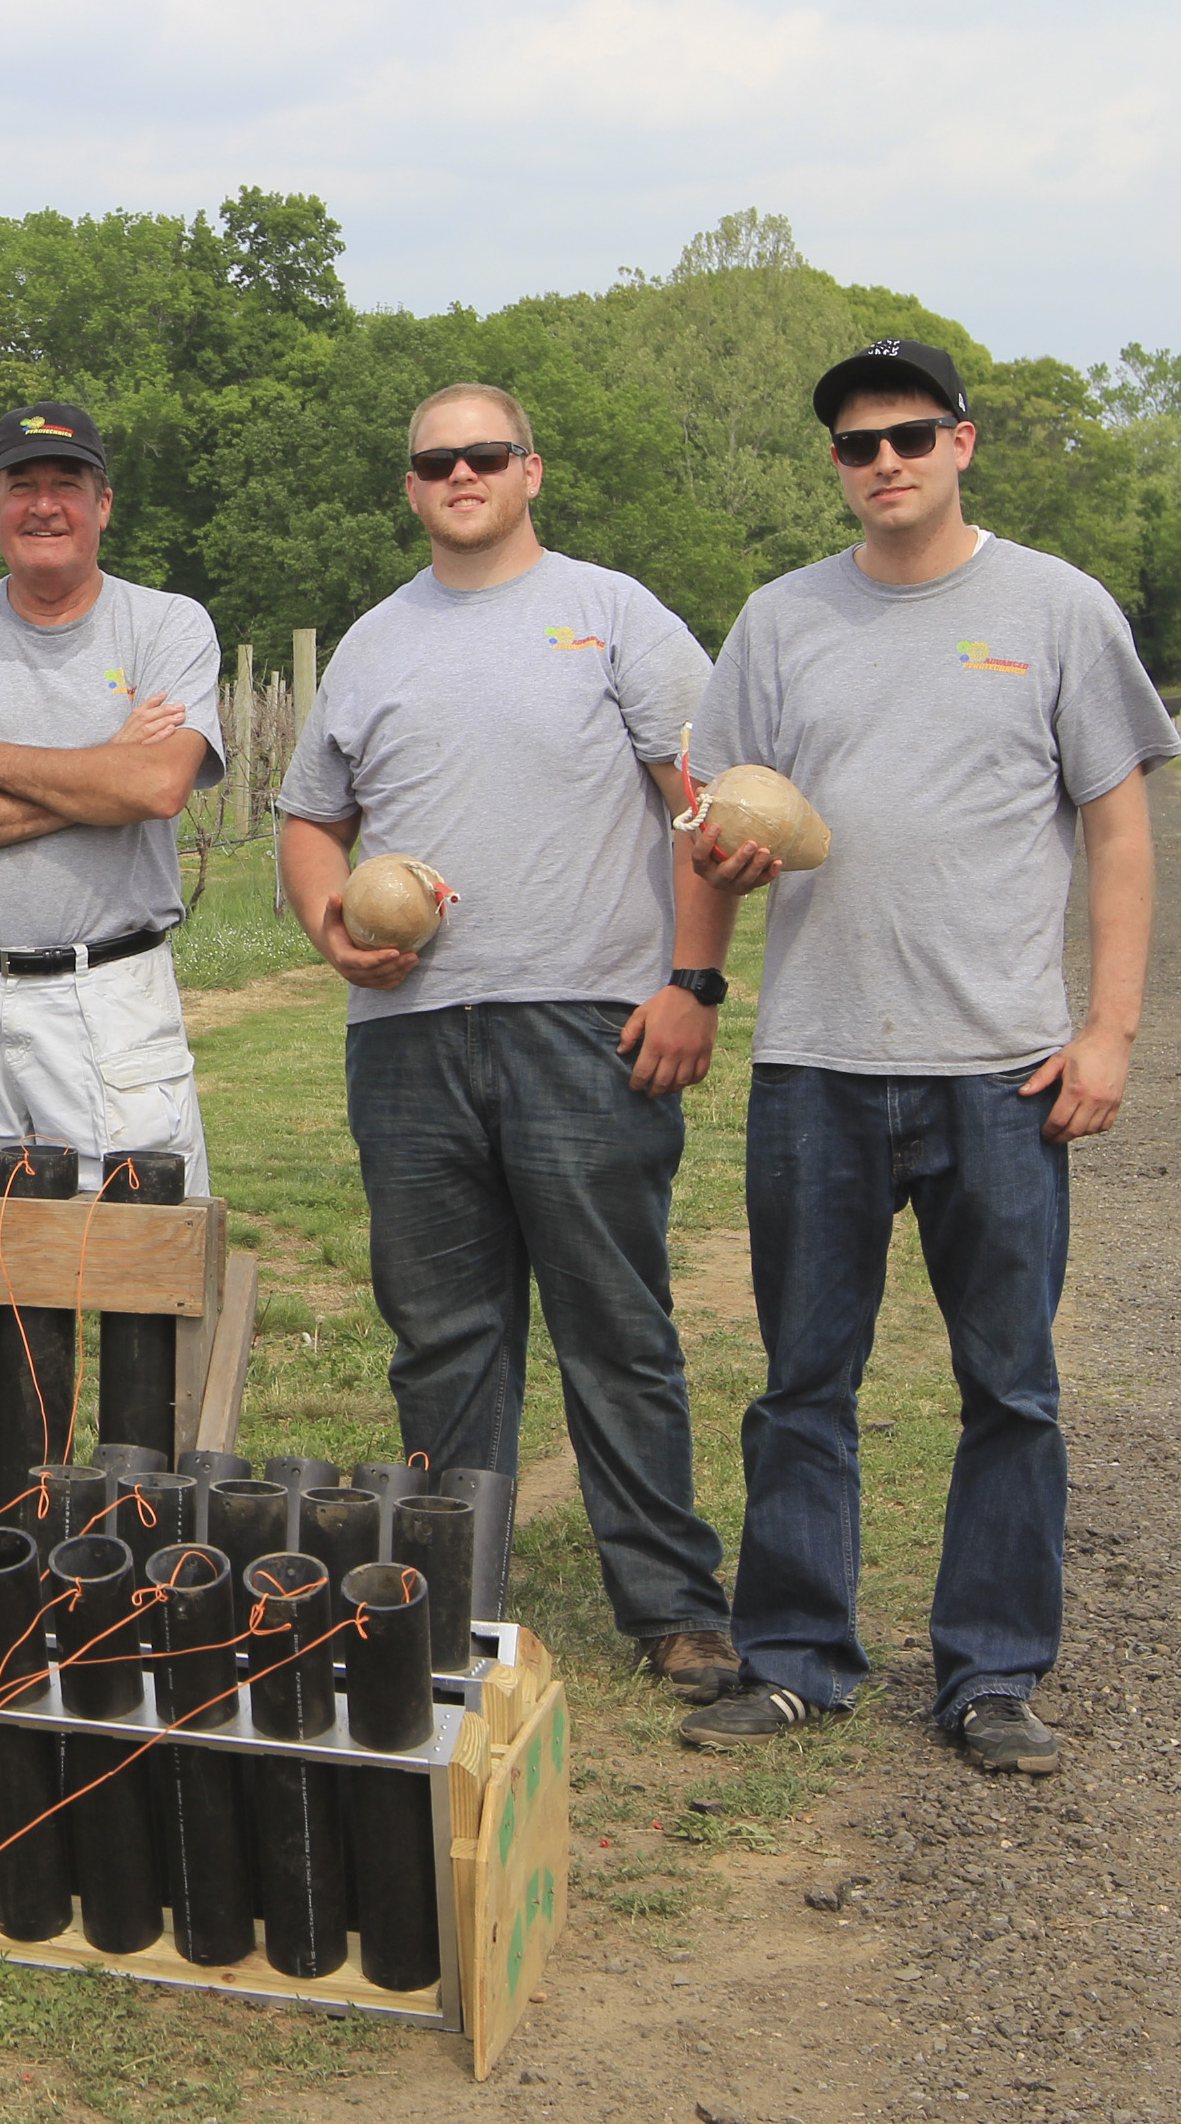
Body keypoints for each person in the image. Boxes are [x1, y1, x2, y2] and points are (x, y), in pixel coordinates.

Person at [676, 340, 1176, 1776]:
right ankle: (795, 1660)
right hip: (820, 1063)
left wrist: (1110, 1032)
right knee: (802, 1379)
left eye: (908, 433)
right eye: (854, 442)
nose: (882, 459)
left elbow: (1120, 832)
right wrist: (712, 916)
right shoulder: (780, 623)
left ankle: (993, 1675)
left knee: (1009, 1384)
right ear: (834, 464)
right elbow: (716, 826)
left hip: (1001, 1069)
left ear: (964, 443)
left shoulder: (1057, 611)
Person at [275, 384, 746, 1702]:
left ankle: (671, 1606)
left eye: (486, 454)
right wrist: (330, 926)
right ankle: (447, 1609)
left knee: (615, 1323)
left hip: (587, 1026)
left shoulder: (611, 615)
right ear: (412, 484)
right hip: (411, 1034)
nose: (461, 473)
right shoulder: (372, 644)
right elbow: (311, 820)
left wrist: (692, 981)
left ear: (532, 469)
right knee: (441, 1332)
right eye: (437, 460)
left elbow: (705, 807)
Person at [0, 400, 223, 1192]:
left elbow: (160, 786)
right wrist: (102, 778)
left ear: (104, 504)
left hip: (111, 999)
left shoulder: (168, 624)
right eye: (20, 484)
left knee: (144, 1258)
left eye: (69, 482)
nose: (45, 504)